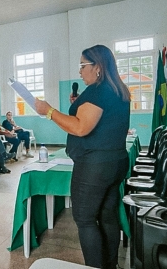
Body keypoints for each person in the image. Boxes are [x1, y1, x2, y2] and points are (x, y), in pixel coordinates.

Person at [35, 44, 130, 269]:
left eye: (82, 65)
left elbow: (80, 128)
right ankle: (110, 264)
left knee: (85, 220)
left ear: (97, 67)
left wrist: (49, 111)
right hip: (115, 161)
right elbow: (100, 120)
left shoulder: (97, 90)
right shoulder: (117, 88)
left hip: (95, 165)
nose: (79, 71)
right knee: (107, 215)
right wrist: (78, 105)